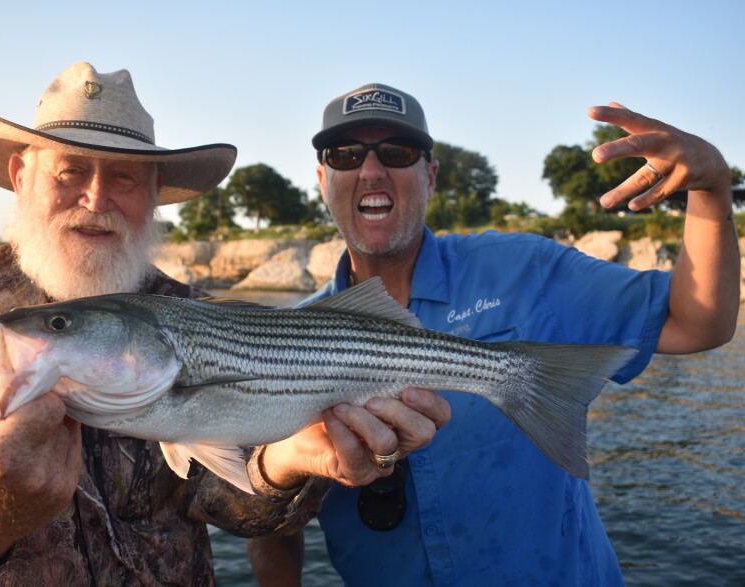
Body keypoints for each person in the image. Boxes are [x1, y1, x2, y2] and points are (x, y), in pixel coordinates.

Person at [0, 66, 450, 585]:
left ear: (153, 194)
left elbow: (223, 504)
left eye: (123, 177)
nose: (95, 199)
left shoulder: (190, 310)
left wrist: (286, 462)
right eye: (70, 170)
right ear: (21, 175)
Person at [248, 83, 740, 585]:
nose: (372, 171)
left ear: (431, 175)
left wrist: (710, 192)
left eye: (397, 152)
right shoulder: (275, 341)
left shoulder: (526, 269)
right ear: (321, 179)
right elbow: (267, 525)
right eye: (345, 155)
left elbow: (698, 322)